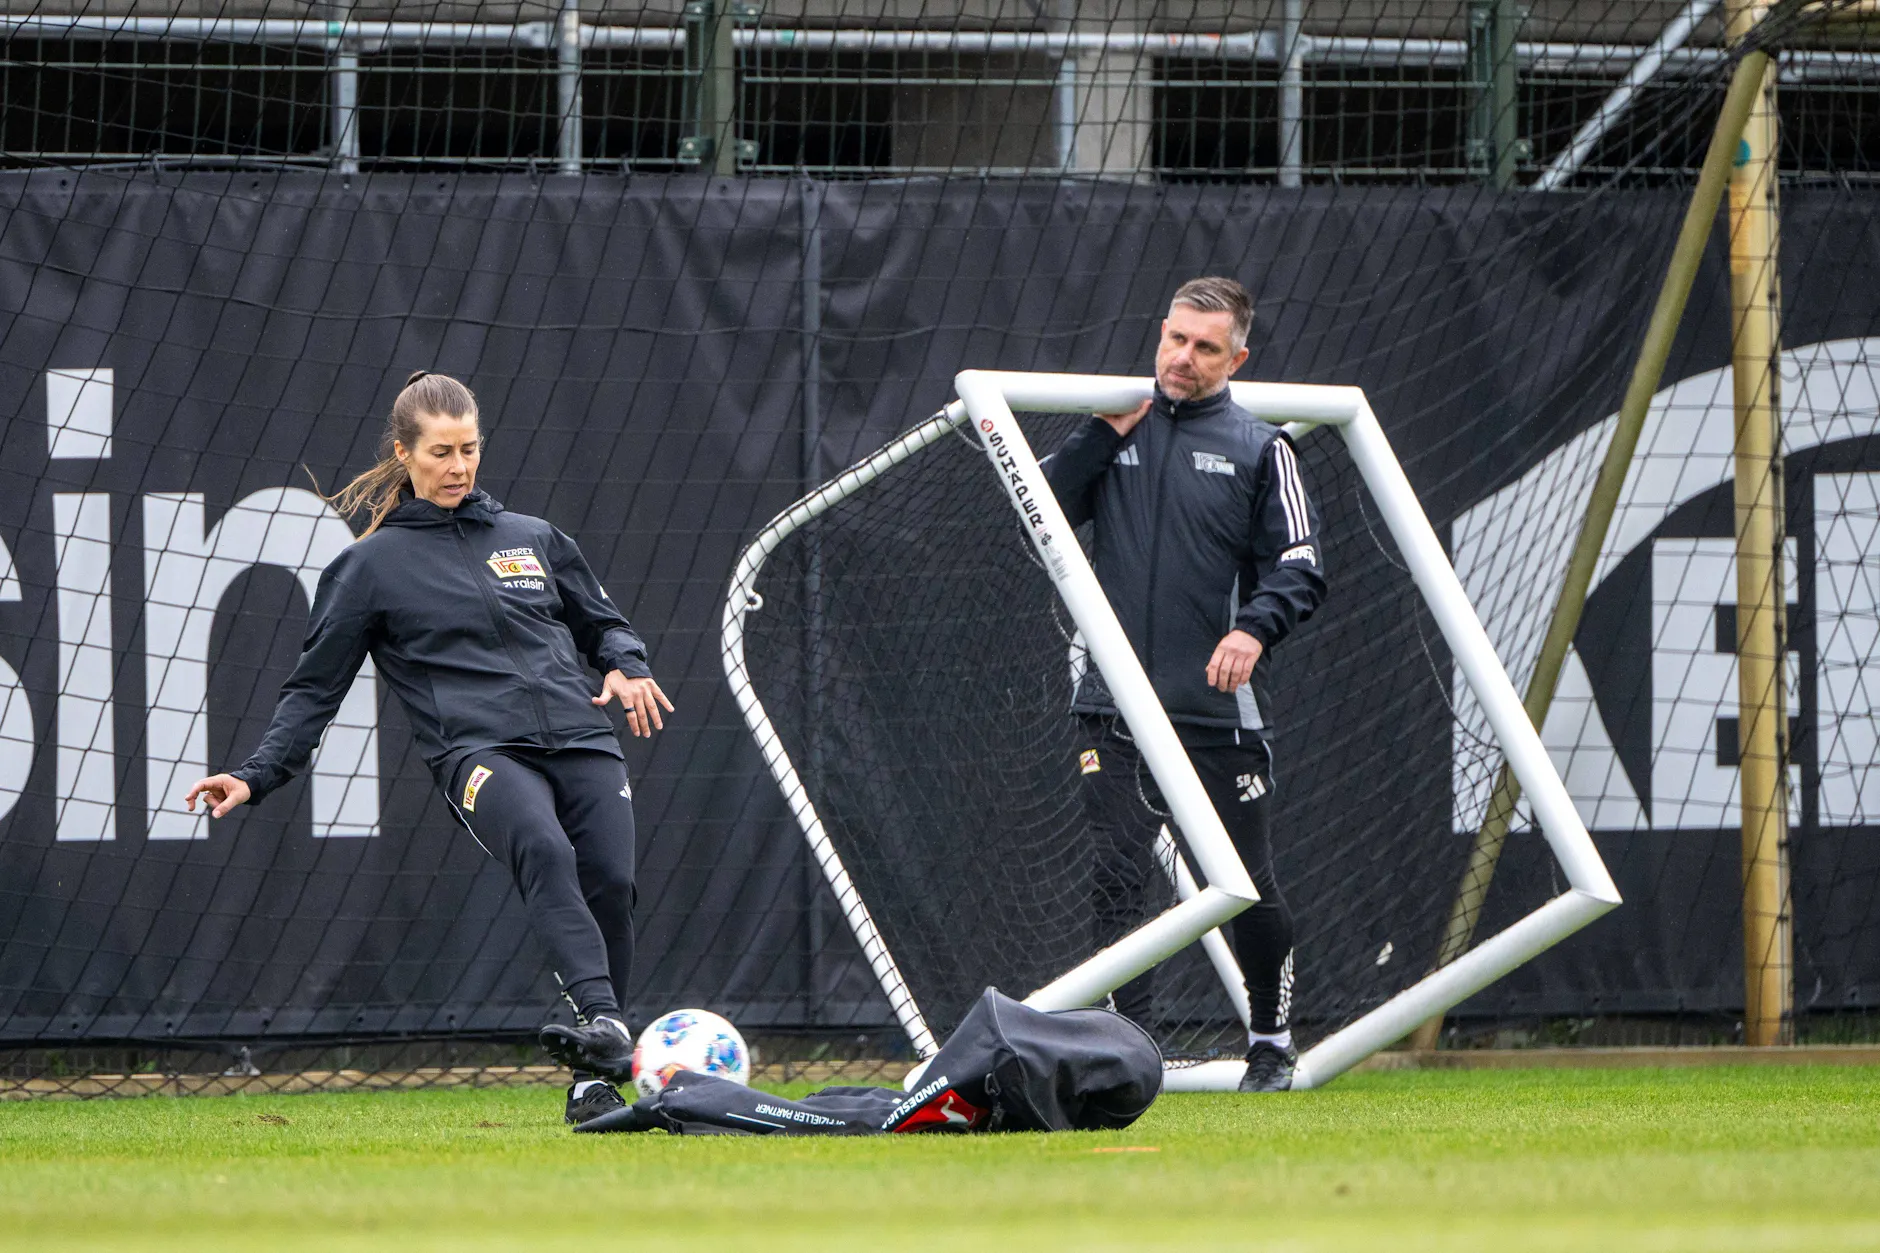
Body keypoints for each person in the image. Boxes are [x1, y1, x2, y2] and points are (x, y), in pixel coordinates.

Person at [184, 370, 675, 1125]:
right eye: (441, 451)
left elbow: (603, 625)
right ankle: (610, 1026)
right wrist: (257, 774)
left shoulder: (534, 538)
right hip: (477, 752)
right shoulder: (367, 567)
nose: (458, 466)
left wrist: (624, 663)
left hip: (581, 739)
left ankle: (590, 1077)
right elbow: (313, 689)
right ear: (405, 453)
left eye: (469, 449)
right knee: (544, 849)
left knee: (609, 881)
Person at [1042, 277, 1327, 1093]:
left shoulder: (1261, 446)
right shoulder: (1111, 427)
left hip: (1215, 712)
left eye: (1207, 349)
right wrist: (1100, 436)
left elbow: (1302, 566)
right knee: (1118, 874)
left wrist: (1252, 628)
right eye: (1175, 339)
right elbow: (1041, 510)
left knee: (1247, 881)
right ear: (1159, 333)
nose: (1184, 359)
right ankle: (1128, 1048)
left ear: (1238, 357)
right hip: (1113, 705)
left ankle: (1270, 1043)